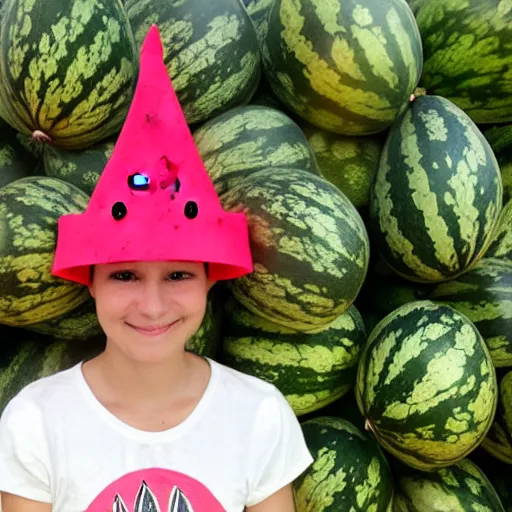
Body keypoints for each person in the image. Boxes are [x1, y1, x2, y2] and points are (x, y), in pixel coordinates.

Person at [0, 25, 313, 512]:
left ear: (210, 279)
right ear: (91, 282)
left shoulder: (259, 416)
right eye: (124, 275)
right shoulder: (35, 421)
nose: (152, 305)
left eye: (178, 274)